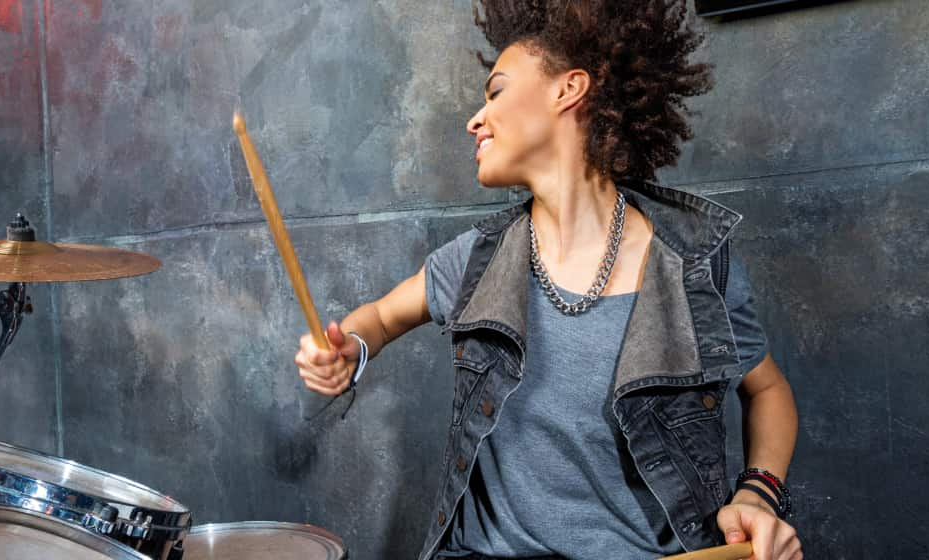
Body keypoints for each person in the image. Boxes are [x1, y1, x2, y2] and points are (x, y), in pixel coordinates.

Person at [294, 1, 801, 559]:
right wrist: (350, 350)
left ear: (569, 89)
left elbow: (769, 391)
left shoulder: (695, 262)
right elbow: (382, 318)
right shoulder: (477, 261)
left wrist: (759, 494)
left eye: (496, 91)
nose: (475, 118)